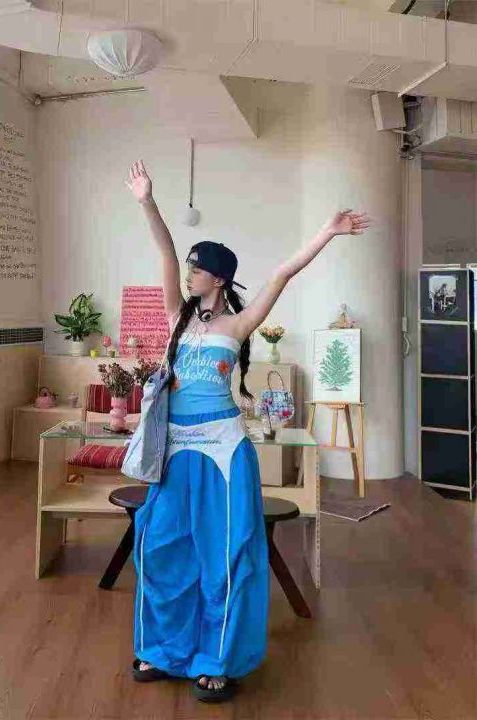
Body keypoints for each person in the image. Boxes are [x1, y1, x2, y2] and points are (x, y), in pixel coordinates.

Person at [125, 160, 370, 703]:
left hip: (223, 450)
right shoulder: (176, 317)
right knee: (162, 546)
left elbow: (282, 272)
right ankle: (163, 649)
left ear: (217, 279)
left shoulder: (239, 323)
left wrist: (328, 232)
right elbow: (165, 251)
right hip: (175, 451)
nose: (188, 275)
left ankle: (217, 660)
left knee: (223, 556)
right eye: (189, 268)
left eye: (197, 270)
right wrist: (147, 200)